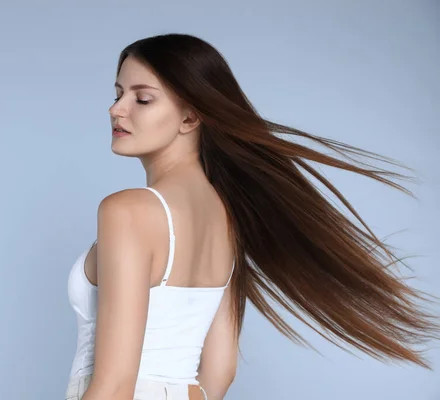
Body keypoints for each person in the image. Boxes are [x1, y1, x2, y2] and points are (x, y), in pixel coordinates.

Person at [64, 33, 439, 400]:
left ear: (191, 117)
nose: (117, 109)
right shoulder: (229, 219)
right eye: (118, 94)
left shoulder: (128, 210)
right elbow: (220, 372)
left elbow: (114, 388)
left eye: (142, 99)